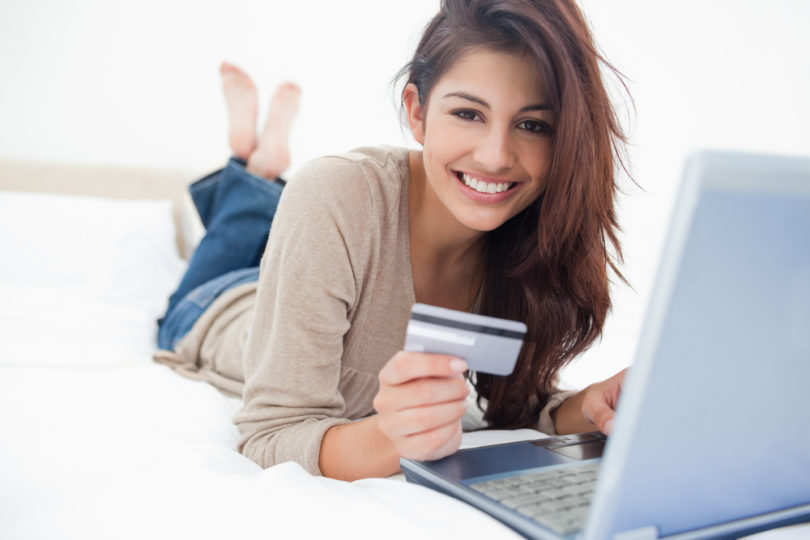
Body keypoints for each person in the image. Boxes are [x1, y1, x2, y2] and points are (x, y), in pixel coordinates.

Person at [155, 0, 630, 481]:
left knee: (277, 226)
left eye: (532, 125)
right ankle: (255, 170)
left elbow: (521, 404)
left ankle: (259, 168)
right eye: (468, 113)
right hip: (218, 306)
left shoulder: (525, 236)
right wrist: (388, 439)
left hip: (317, 264)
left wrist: (588, 405)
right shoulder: (335, 192)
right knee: (227, 246)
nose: (495, 156)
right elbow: (270, 434)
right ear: (417, 112)